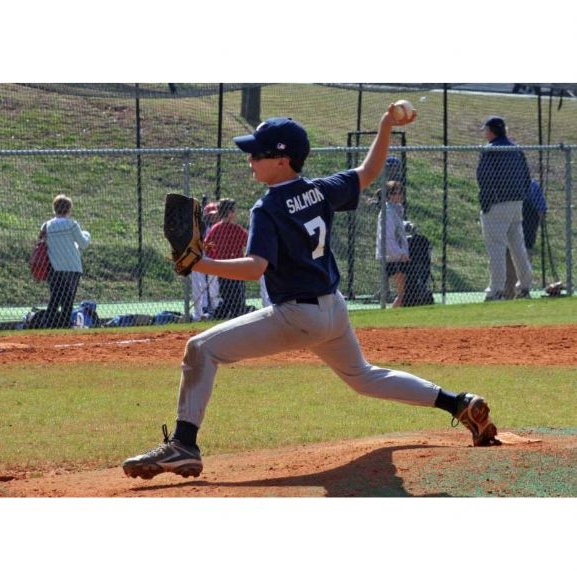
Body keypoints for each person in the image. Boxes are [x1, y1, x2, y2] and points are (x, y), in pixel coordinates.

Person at [123, 107, 500, 481]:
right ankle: (458, 402)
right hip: (333, 311)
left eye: (257, 154)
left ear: (282, 160)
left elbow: (255, 267)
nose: (250, 159)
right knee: (364, 377)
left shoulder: (267, 207)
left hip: (297, 316)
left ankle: (184, 444)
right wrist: (385, 125)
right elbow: (369, 172)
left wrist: (200, 263)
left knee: (201, 349)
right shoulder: (319, 190)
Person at [476, 115, 533, 301]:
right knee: (518, 246)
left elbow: (484, 179)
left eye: (486, 130)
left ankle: (496, 290)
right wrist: (520, 196)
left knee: (496, 247)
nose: (485, 133)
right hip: (516, 203)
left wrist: (486, 203)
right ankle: (524, 286)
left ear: (491, 131)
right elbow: (527, 178)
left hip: (497, 203)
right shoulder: (516, 149)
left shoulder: (489, 150)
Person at [42, 194, 91, 328]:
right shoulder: (72, 225)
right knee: (68, 300)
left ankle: (49, 324)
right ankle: (64, 325)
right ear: (69, 209)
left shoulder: (47, 225)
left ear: (54, 209)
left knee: (55, 298)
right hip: (71, 267)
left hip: (53, 267)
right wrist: (87, 234)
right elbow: (83, 243)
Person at [204, 198, 250, 319]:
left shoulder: (216, 228)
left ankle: (223, 315)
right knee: (235, 299)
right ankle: (233, 315)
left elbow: (207, 248)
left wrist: (216, 260)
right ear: (229, 213)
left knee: (229, 298)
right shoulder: (234, 229)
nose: (235, 213)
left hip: (225, 269)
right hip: (235, 268)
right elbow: (249, 242)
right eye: (233, 211)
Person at [504, 178, 547, 299]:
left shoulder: (532, 186)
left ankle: (521, 291)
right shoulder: (505, 185)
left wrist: (536, 226)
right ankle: (509, 292)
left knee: (523, 260)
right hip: (510, 230)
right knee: (509, 263)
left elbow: (541, 210)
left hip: (527, 232)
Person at [375, 180, 410, 307]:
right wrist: (399, 254)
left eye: (401, 192)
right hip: (392, 257)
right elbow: (387, 236)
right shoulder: (388, 212)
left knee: (404, 292)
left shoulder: (396, 209)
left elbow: (397, 229)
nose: (400, 195)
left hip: (397, 255)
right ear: (389, 195)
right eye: (396, 193)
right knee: (402, 293)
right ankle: (391, 314)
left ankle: (395, 312)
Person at [191, 201, 220, 320]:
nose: (213, 217)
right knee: (200, 284)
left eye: (215, 215)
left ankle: (215, 308)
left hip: (213, 259)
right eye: (211, 215)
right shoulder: (201, 228)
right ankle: (203, 309)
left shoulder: (218, 227)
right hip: (200, 258)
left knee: (213, 285)